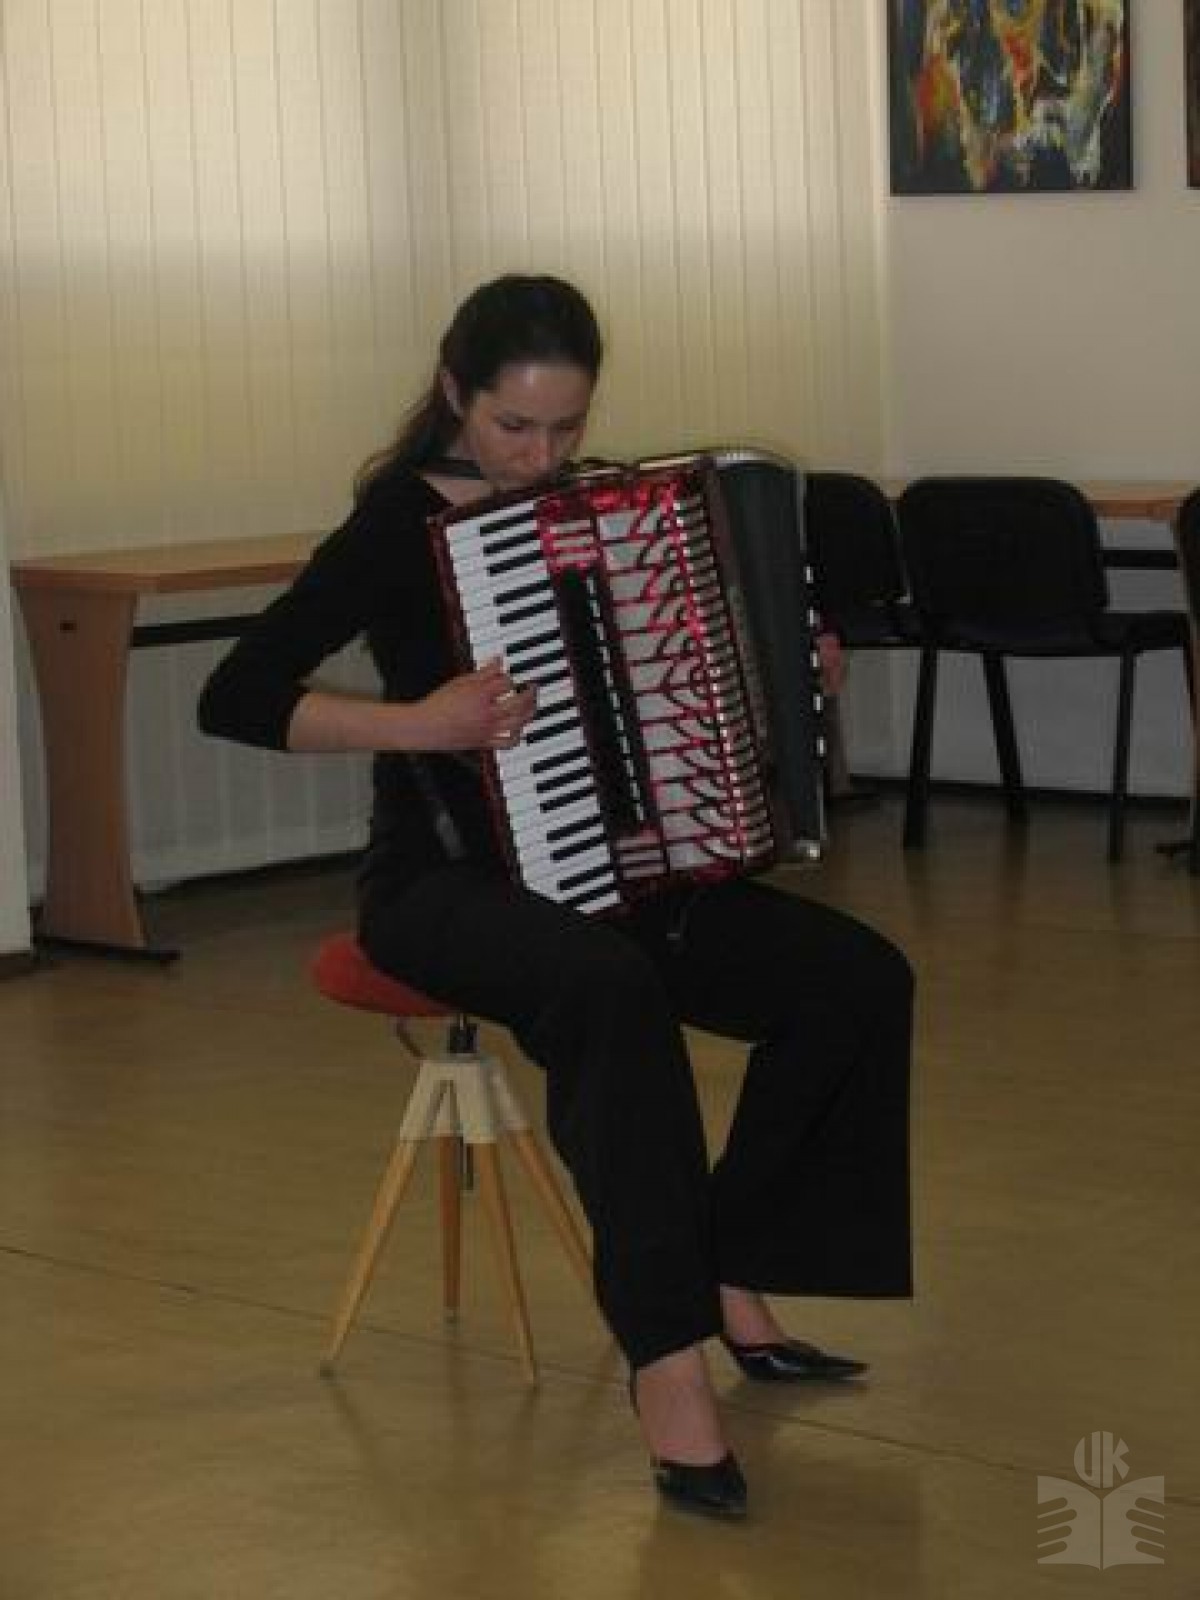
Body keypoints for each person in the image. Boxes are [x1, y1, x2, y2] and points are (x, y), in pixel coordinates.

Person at [198, 274, 912, 1521]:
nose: (540, 456)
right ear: (454, 392)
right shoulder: (395, 524)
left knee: (853, 981)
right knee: (608, 987)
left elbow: (693, 682)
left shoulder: (618, 512)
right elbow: (238, 693)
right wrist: (418, 721)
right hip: (441, 883)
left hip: (614, 870)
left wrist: (792, 673)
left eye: (565, 427)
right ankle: (667, 1360)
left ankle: (731, 1260)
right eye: (513, 426)